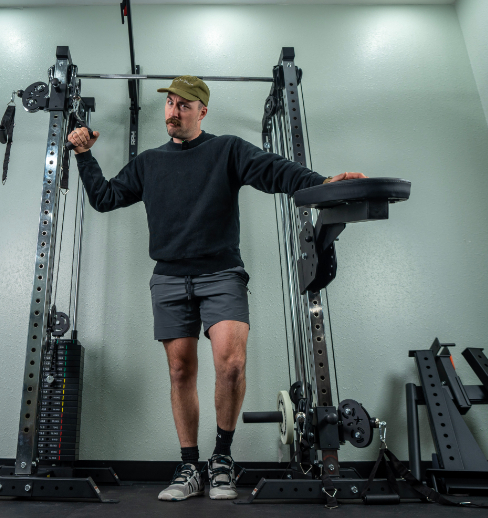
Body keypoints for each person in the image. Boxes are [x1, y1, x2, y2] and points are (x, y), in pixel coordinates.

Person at [67, 75, 365, 501]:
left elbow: (273, 170)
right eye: (169, 104)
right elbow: (105, 197)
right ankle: (189, 465)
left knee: (230, 365)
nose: (173, 112)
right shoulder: (149, 163)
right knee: (180, 370)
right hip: (169, 277)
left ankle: (221, 458)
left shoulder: (227, 149)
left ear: (202, 111)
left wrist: (322, 184)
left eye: (183, 105)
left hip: (221, 273)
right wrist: (84, 154)